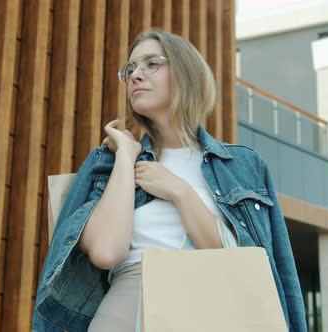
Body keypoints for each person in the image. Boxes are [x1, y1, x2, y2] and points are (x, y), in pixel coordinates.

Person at [32, 29, 306, 332]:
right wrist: (125, 155)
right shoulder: (108, 162)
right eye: (131, 68)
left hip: (218, 311)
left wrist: (179, 191)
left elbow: (251, 265)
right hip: (129, 310)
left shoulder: (244, 166)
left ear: (187, 74)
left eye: (152, 64)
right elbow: (107, 252)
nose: (136, 75)